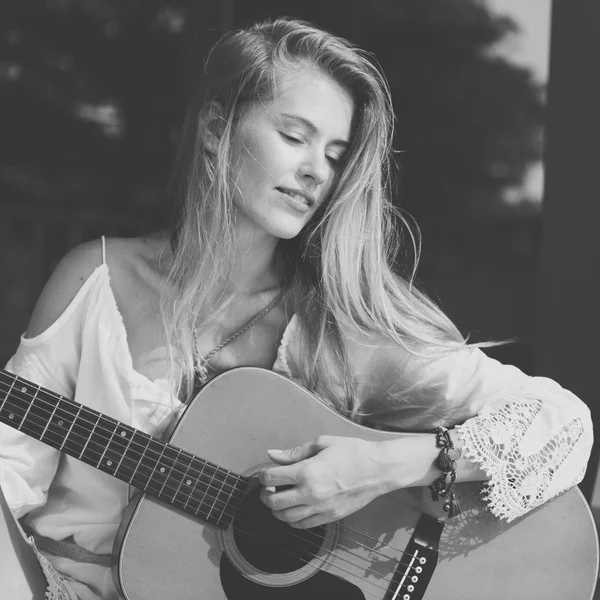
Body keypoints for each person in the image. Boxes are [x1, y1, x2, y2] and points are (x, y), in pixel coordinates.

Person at [0, 16, 592, 600]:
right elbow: (10, 468)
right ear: (215, 128)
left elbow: (564, 427)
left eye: (335, 154)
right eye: (294, 136)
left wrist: (381, 467)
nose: (316, 171)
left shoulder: (341, 328)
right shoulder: (95, 278)